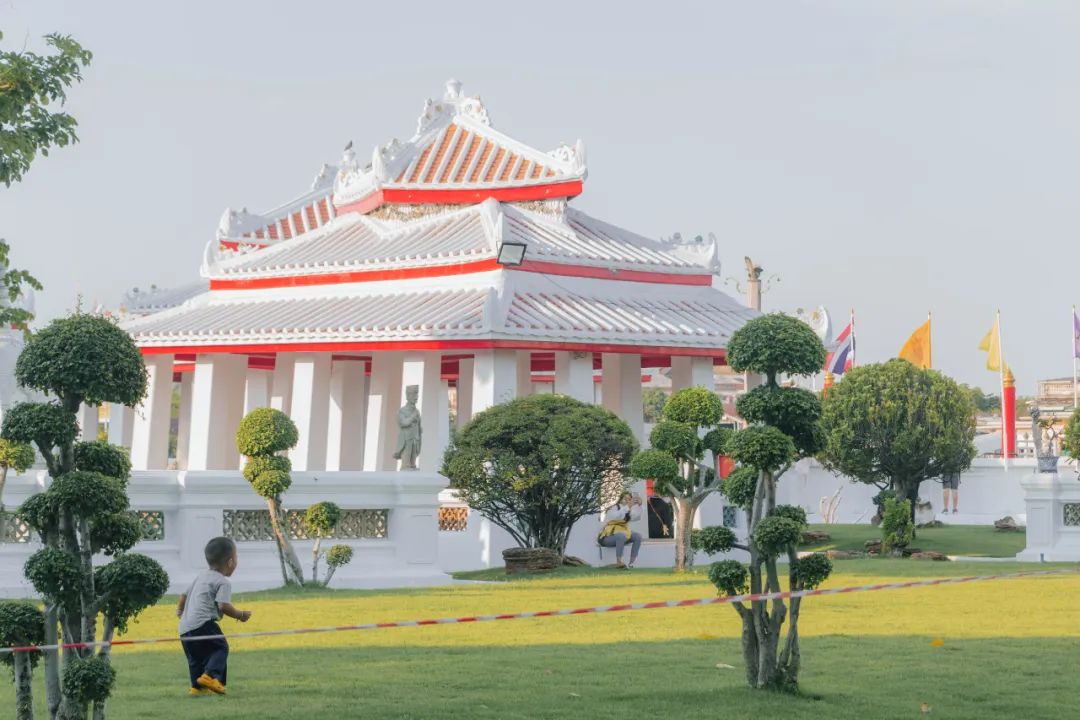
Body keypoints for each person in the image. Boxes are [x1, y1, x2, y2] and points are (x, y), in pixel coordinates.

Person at [176, 537, 252, 696]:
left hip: (184, 627)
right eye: (236, 558)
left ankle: (197, 689)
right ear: (230, 562)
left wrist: (180, 610)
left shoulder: (201, 576)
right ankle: (211, 677)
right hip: (203, 623)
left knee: (195, 658)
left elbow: (183, 595)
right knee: (220, 647)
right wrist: (240, 615)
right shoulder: (222, 582)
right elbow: (223, 606)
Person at [598, 492, 643, 568]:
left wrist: (640, 505)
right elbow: (616, 516)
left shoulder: (628, 509)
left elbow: (637, 517)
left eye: (629, 499)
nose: (627, 501)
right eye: (625, 499)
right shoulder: (614, 507)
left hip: (622, 535)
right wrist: (628, 507)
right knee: (621, 535)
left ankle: (632, 562)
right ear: (620, 499)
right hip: (607, 537)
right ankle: (619, 561)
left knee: (637, 536)